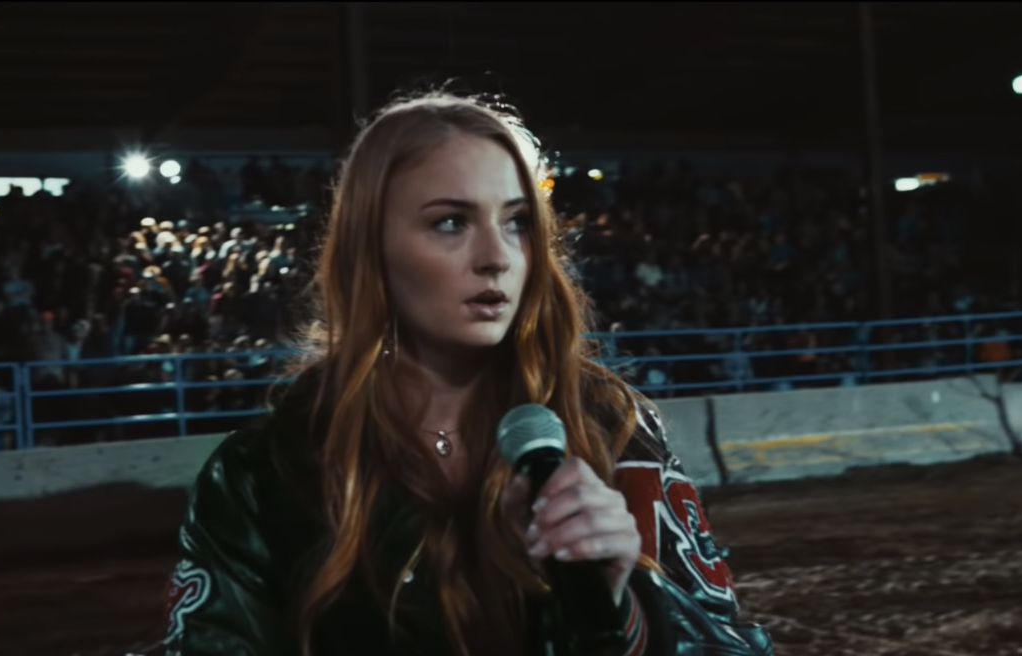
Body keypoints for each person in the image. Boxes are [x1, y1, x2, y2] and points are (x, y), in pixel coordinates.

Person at [164, 91, 775, 656]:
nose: (497, 257)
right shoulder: (261, 474)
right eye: (450, 222)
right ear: (369, 246)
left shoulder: (614, 432)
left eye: (516, 222)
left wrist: (628, 608)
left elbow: (732, 644)